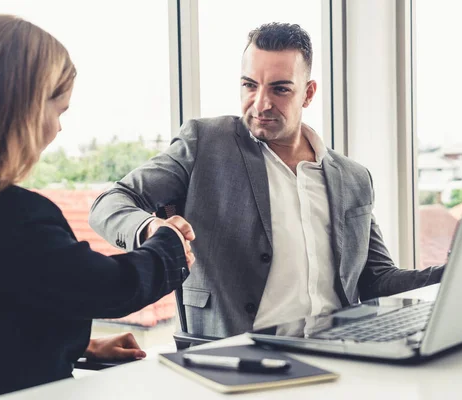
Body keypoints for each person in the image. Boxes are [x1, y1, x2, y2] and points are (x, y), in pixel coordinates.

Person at [89, 22, 443, 339]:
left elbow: (378, 280)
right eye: (249, 85)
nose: (260, 103)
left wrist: (456, 272)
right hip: (234, 359)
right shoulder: (205, 143)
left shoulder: (353, 178)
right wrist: (150, 228)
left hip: (339, 356)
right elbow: (111, 203)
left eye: (280, 89)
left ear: (308, 93)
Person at [0, 14, 194, 400]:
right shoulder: (13, 217)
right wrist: (170, 245)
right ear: (22, 109)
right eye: (58, 110)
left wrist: (78, 347)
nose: (58, 129)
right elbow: (107, 287)